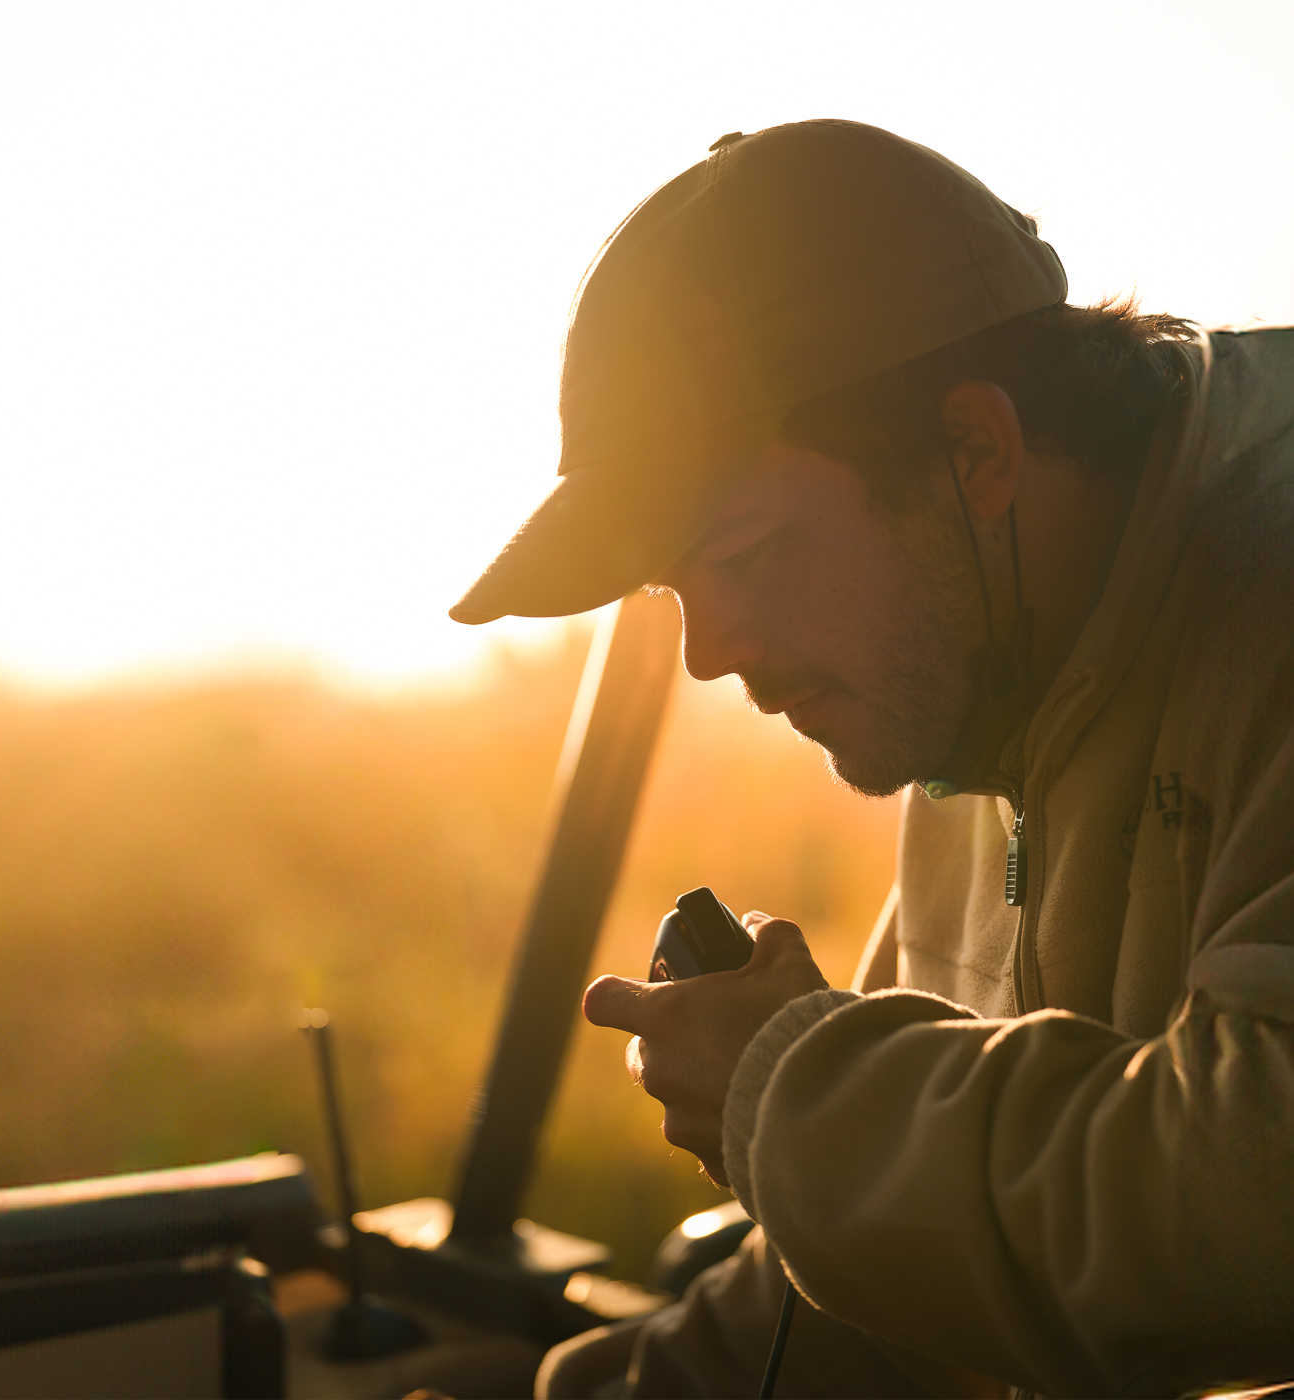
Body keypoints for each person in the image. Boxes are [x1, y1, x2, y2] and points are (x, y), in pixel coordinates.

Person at [449, 120, 1294, 1398]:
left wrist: (787, 1081)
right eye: (679, 587)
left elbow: (1253, 1201)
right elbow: (950, 1234)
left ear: (975, 452)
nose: (709, 650)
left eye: (742, 554)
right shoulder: (976, 676)